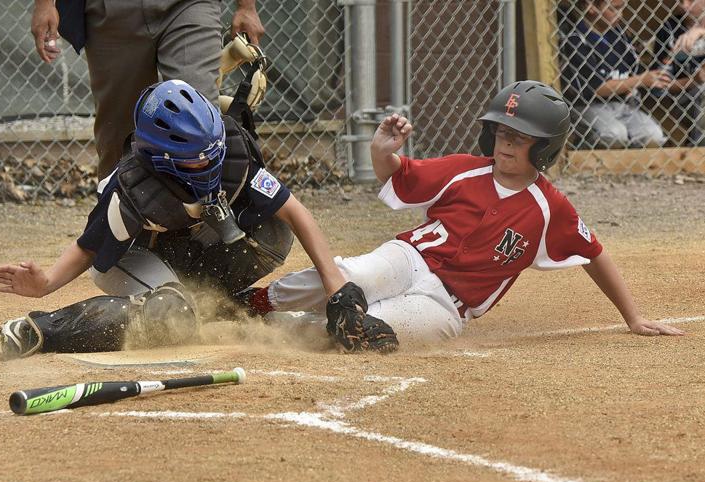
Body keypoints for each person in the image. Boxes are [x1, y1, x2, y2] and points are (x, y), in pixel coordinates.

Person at [236, 80, 684, 347]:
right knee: (355, 275)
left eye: (521, 136)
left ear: (545, 147)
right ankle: (252, 304)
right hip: (408, 258)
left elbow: (594, 253)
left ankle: (274, 332)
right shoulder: (465, 171)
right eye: (502, 132)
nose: (507, 142)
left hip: (445, 307)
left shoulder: (551, 209)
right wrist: (381, 151)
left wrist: (632, 317)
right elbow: (399, 173)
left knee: (367, 334)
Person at [0, 80, 398, 358]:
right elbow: (87, 249)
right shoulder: (131, 190)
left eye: (212, 150)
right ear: (159, 159)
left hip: (184, 247)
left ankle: (220, 304)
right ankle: (41, 331)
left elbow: (296, 213)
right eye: (195, 157)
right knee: (171, 314)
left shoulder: (232, 155)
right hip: (129, 260)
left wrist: (337, 291)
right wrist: (43, 287)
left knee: (271, 233)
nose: (210, 162)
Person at [30, 0, 265, 180]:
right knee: (120, 139)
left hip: (188, 6)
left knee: (199, 122)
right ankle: (124, 231)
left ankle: (210, 225)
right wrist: (44, 4)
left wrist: (247, 6)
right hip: (113, 12)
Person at [559, 0, 668, 149]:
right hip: (587, 107)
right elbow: (597, 89)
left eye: (622, 8)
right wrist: (640, 80)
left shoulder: (620, 35)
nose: (620, 14)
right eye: (614, 8)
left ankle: (634, 170)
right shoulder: (577, 39)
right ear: (590, 6)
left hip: (623, 106)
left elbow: (633, 71)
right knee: (614, 134)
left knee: (653, 135)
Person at [652, 0, 705, 146]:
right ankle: (698, 149)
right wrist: (693, 80)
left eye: (691, 0)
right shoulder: (669, 28)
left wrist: (701, 31)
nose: (685, 6)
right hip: (685, 96)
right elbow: (659, 87)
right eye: (681, 1)